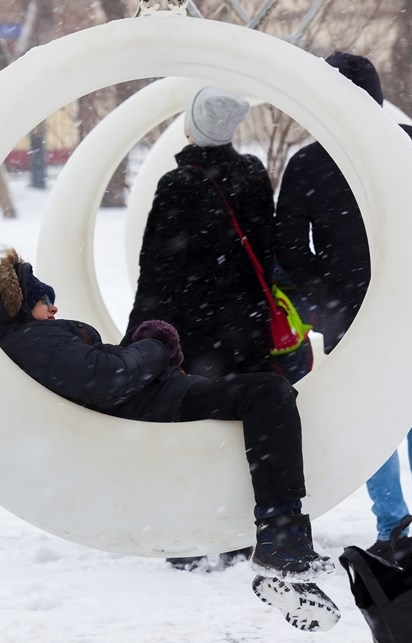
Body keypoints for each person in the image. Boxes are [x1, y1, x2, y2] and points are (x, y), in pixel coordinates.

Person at [0, 248, 340, 632]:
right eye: (44, 300)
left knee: (263, 398)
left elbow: (99, 374)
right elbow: (108, 380)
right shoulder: (34, 339)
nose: (53, 307)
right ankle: (281, 535)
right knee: (268, 393)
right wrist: (155, 346)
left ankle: (282, 546)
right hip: (156, 407)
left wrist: (139, 347)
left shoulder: (34, 340)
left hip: (152, 402)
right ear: (19, 304)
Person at [274, 52, 412, 563]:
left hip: (349, 313)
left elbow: (289, 245)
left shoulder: (308, 163)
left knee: (371, 415)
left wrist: (325, 297)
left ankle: (391, 526)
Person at [125, 86, 278, 571]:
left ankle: (191, 532)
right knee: (243, 426)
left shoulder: (178, 183)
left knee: (188, 427)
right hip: (246, 327)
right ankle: (238, 529)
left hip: (193, 330)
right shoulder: (253, 173)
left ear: (193, 127)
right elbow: (267, 250)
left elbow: (158, 268)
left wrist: (139, 334)